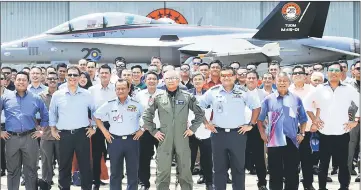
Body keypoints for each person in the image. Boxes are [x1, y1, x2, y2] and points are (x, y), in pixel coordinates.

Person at [198, 66, 261, 190]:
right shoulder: (213, 91)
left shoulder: (242, 92)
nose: (226, 78)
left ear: (234, 77)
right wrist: (206, 123)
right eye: (223, 76)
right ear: (220, 77)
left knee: (238, 167)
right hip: (218, 134)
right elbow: (198, 107)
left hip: (237, 134)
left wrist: (251, 124)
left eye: (229, 75)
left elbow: (256, 107)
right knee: (218, 168)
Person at [142, 70, 204, 190]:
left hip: (183, 138)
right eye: (168, 78)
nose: (171, 80)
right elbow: (146, 116)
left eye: (173, 78)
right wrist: (154, 131)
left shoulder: (187, 97)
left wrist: (193, 128)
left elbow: (200, 113)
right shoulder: (157, 97)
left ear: (179, 80)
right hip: (165, 138)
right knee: (163, 172)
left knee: (185, 170)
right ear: (163, 81)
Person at [304, 61, 360, 190]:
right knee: (323, 164)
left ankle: (344, 187)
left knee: (343, 164)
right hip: (324, 133)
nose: (334, 73)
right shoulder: (320, 89)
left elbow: (358, 103)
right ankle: (322, 187)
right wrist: (314, 119)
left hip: (342, 133)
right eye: (331, 71)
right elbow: (305, 104)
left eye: (336, 71)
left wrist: (355, 121)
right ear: (327, 73)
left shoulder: (348, 89)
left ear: (341, 73)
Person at [258, 72, 308, 190]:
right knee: (275, 172)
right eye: (279, 80)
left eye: (285, 80)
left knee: (292, 172)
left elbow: (303, 118)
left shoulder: (296, 99)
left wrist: (302, 133)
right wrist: (262, 134)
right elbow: (260, 120)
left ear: (289, 83)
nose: (282, 83)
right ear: (276, 82)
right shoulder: (268, 100)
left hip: (292, 139)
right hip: (274, 140)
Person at [49, 66, 96, 190]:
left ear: (80, 77)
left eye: (75, 75)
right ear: (66, 76)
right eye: (70, 75)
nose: (72, 77)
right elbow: (52, 113)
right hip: (64, 135)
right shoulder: (58, 95)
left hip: (82, 134)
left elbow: (95, 111)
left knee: (85, 166)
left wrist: (94, 127)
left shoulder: (87, 94)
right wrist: (53, 129)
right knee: (64, 167)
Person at [1, 71, 49, 190]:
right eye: (18, 79)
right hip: (11, 138)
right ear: (14, 81)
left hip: (30, 138)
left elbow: (45, 115)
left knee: (31, 170)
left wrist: (41, 131)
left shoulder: (36, 98)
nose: (21, 82)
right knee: (12, 171)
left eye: (24, 80)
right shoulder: (5, 97)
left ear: (28, 82)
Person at [94, 78, 144, 190]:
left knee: (132, 171)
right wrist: (104, 131)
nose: (120, 91)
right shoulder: (109, 104)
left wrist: (142, 129)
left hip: (132, 140)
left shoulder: (136, 104)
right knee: (115, 172)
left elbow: (147, 117)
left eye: (123, 88)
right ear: (115, 90)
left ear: (129, 89)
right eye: (118, 89)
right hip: (115, 141)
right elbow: (96, 116)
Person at [88, 64, 116, 189]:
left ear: (110, 74)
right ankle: (96, 181)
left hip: (114, 126)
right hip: (97, 125)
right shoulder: (92, 90)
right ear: (98, 74)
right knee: (96, 155)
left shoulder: (116, 88)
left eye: (106, 73)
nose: (104, 75)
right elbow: (88, 109)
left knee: (115, 154)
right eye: (102, 72)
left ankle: (116, 181)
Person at [135, 72, 162, 190]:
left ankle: (161, 183)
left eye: (154, 79)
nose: (151, 81)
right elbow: (136, 113)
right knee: (143, 158)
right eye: (149, 79)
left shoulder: (163, 94)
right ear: (145, 81)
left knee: (162, 158)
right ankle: (144, 183)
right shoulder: (139, 95)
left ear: (158, 81)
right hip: (144, 131)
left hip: (160, 130)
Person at [187, 72, 213, 190]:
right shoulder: (187, 94)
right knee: (189, 159)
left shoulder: (209, 94)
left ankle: (209, 182)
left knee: (207, 158)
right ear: (192, 81)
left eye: (199, 79)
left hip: (206, 131)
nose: (197, 81)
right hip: (190, 131)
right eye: (195, 79)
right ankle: (186, 184)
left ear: (204, 81)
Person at [244, 70, 268, 190]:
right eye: (249, 78)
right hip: (242, 128)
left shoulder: (264, 94)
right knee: (241, 156)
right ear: (245, 79)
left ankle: (262, 182)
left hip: (258, 128)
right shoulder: (240, 92)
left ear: (258, 80)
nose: (251, 80)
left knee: (259, 156)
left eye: (254, 78)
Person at [39, 72, 60, 189]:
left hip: (61, 135)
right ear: (46, 80)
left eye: (54, 79)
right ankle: (46, 184)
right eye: (50, 79)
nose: (52, 81)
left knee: (63, 163)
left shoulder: (63, 94)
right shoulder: (40, 96)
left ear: (58, 80)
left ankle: (63, 184)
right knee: (46, 163)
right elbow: (34, 114)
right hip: (46, 135)